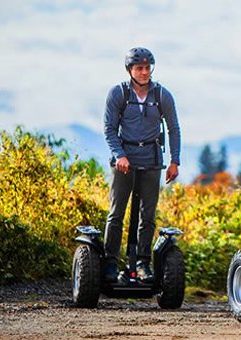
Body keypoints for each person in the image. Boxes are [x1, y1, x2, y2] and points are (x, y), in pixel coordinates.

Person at [103, 47, 181, 283]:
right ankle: (110, 264)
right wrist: (119, 155)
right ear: (130, 70)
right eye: (139, 68)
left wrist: (175, 161)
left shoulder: (162, 95)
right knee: (116, 214)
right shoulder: (118, 94)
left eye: (148, 68)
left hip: (151, 160)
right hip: (124, 161)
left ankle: (142, 264)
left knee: (148, 215)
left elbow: (174, 129)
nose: (145, 72)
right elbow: (109, 129)